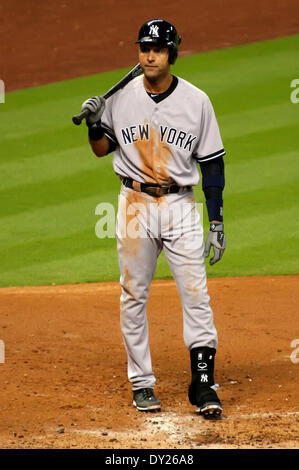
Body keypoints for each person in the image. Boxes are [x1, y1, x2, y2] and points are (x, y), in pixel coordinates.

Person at [81, 19, 226, 419]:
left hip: (181, 206)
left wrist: (216, 221)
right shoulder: (122, 97)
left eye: (158, 49)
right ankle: (142, 382)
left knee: (196, 295)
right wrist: (94, 123)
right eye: (145, 47)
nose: (149, 55)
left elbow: (213, 165)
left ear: (171, 55)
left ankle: (202, 383)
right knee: (133, 295)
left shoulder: (197, 101)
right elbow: (102, 148)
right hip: (133, 205)